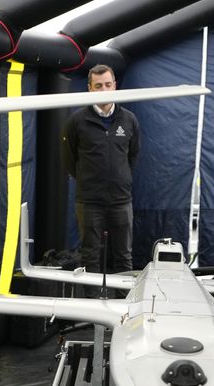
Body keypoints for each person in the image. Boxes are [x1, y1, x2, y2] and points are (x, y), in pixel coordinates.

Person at [62, 64, 139, 285]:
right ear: (89, 89)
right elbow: (69, 161)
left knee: (124, 257)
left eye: (107, 84)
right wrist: (90, 182)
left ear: (115, 85)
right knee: (90, 258)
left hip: (121, 200)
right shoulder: (76, 121)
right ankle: (93, 308)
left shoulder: (129, 120)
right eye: (98, 86)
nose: (104, 90)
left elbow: (132, 156)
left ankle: (125, 307)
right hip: (89, 202)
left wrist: (120, 178)